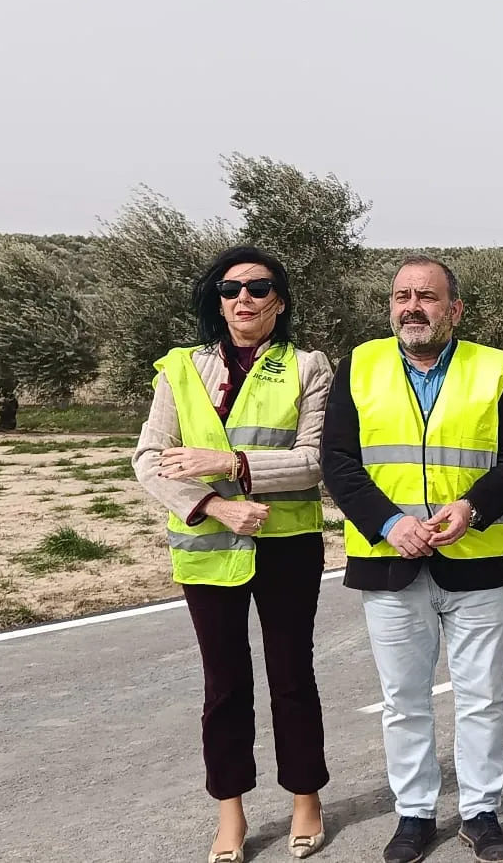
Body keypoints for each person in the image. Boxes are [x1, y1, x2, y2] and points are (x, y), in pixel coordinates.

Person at [322, 256, 503, 863]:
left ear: (454, 310)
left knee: (482, 696)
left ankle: (481, 812)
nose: (412, 306)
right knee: (404, 699)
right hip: (390, 561)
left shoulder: (492, 368)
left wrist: (473, 506)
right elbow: (338, 460)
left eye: (427, 297)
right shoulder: (359, 365)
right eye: (401, 296)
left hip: (474, 560)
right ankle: (414, 813)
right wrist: (390, 523)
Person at [133, 245, 332, 863]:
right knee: (223, 685)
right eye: (229, 288)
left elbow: (314, 458)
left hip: (287, 545)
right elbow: (148, 459)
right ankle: (231, 812)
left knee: (292, 678)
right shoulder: (179, 370)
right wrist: (215, 506)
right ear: (214, 300)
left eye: (257, 287)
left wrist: (231, 465)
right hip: (206, 548)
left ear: (279, 299)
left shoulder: (309, 367)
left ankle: (306, 798)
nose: (242, 298)